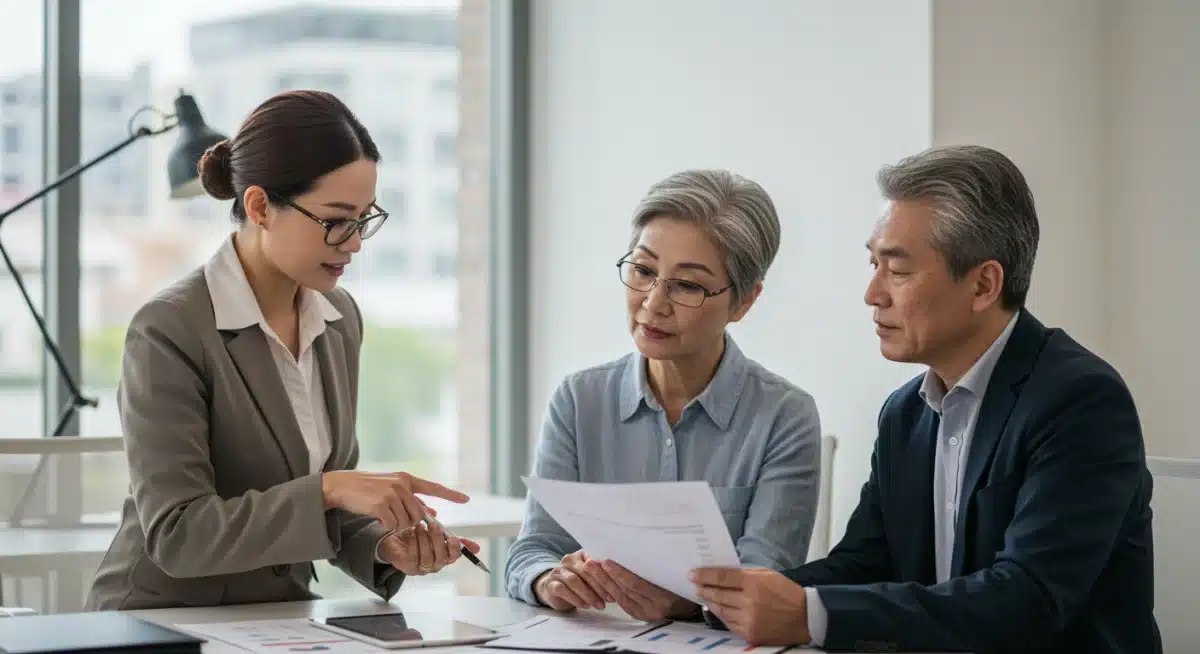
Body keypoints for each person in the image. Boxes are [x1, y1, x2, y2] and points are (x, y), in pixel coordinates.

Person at [691, 145, 1161, 653]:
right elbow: (863, 564)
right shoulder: (906, 412)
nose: (872, 293)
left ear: (983, 284)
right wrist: (706, 602)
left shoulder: (1081, 400)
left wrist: (811, 616)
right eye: (873, 264)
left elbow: (1028, 599)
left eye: (897, 270)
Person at [86, 90, 479, 611]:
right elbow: (178, 534)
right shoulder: (170, 328)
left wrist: (385, 545)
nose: (355, 242)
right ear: (259, 206)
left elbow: (326, 499)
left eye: (365, 217)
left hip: (279, 618)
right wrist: (329, 489)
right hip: (158, 623)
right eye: (336, 219)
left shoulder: (338, 319)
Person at [505, 170, 822, 622]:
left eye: (688, 285)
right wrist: (549, 580)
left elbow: (766, 578)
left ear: (744, 302)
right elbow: (533, 549)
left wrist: (687, 604)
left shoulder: (784, 416)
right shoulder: (578, 399)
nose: (654, 303)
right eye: (643, 271)